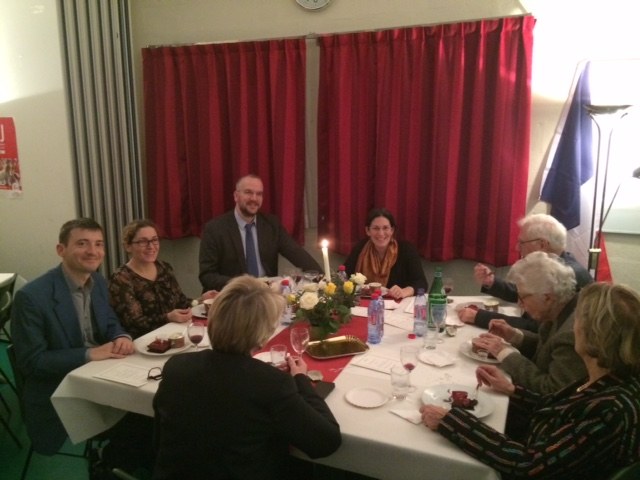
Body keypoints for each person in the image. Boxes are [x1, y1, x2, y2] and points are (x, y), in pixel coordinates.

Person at [421, 282, 640, 479]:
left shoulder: (610, 410)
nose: (573, 326)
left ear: (594, 334)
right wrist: (512, 390)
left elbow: (528, 464)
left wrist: (451, 422)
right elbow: (558, 408)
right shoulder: (607, 378)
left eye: (578, 319)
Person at [153, 275, 342, 479]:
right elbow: (327, 442)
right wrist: (301, 380)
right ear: (262, 334)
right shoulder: (272, 383)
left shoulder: (176, 367)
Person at [10, 218, 136, 455]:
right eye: (82, 243)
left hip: (99, 375)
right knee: (140, 420)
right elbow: (31, 362)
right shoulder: (31, 298)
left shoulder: (98, 282)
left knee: (156, 409)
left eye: (98, 244)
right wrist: (88, 354)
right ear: (61, 250)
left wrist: (121, 336)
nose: (93, 251)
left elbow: (109, 320)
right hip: (60, 389)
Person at [470, 251, 586, 396]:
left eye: (522, 297)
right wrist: (514, 335)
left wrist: (505, 353)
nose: (520, 304)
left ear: (547, 298)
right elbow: (548, 349)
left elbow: (551, 391)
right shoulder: (561, 308)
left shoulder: (572, 333)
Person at [459, 213, 593, 331]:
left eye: (521, 242)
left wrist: (479, 317)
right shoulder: (558, 264)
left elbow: (535, 327)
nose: (517, 248)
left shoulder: (567, 274)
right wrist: (492, 283)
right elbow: (527, 294)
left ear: (542, 245)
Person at [199, 174, 322, 291]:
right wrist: (243, 284)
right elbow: (207, 275)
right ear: (236, 196)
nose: (254, 198)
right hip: (234, 295)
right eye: (248, 192)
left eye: (259, 194)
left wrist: (322, 277)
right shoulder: (215, 229)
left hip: (266, 295)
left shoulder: (271, 225)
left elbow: (297, 253)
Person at [109, 219, 217, 338]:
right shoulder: (121, 278)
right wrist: (167, 318)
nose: (151, 246)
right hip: (144, 341)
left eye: (154, 240)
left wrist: (201, 300)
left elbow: (181, 302)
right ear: (128, 246)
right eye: (143, 242)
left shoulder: (164, 267)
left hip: (174, 334)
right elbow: (133, 323)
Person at [344, 208, 428, 299]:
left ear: (392, 230)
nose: (381, 233)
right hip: (364, 303)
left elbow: (422, 283)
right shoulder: (360, 248)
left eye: (385, 228)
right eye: (376, 228)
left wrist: (404, 291)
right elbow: (343, 276)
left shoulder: (406, 249)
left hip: (397, 304)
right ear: (368, 231)